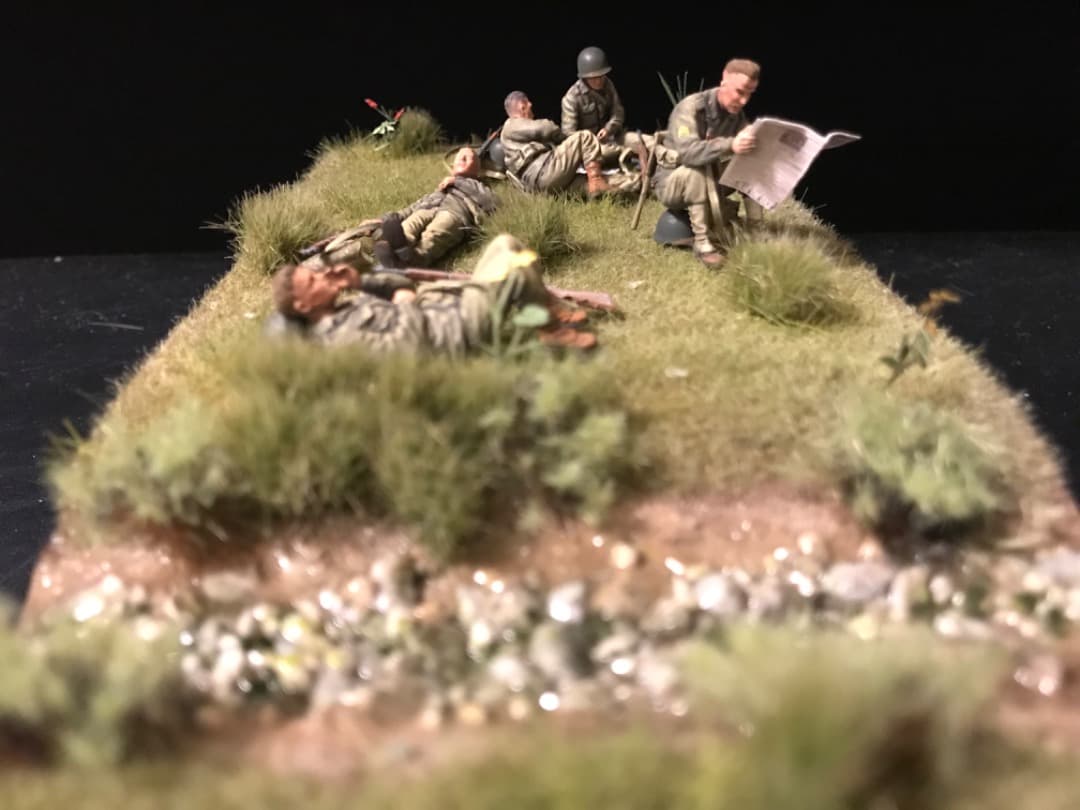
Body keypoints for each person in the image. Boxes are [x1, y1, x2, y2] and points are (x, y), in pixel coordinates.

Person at [268, 234, 596, 355]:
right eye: (312, 281)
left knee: (504, 247)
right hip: (455, 330)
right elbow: (408, 349)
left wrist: (359, 282)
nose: (322, 277)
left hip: (444, 307)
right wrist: (406, 303)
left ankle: (545, 308)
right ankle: (548, 326)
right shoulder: (341, 339)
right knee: (507, 252)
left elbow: (400, 285)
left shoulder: (342, 307)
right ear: (302, 304)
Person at [651, 58, 765, 268]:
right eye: (740, 92)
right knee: (697, 171)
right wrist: (731, 144)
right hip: (672, 183)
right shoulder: (691, 108)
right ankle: (703, 244)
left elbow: (743, 140)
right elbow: (689, 154)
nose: (744, 100)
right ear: (724, 81)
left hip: (711, 176)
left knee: (750, 166)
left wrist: (752, 138)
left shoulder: (734, 113)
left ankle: (755, 233)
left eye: (750, 94)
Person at [352, 146, 498, 269]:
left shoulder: (478, 185)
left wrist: (458, 182)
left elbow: (490, 203)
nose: (463, 159)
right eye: (460, 157)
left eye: (470, 157)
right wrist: (381, 221)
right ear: (452, 166)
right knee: (408, 225)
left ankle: (414, 261)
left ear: (477, 169)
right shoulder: (439, 190)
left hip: (455, 213)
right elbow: (413, 208)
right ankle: (397, 251)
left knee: (435, 234)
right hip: (426, 210)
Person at [499, 91, 610, 197]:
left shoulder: (515, 136)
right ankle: (596, 180)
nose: (532, 112)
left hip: (543, 184)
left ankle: (604, 187)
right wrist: (563, 137)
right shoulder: (512, 124)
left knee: (601, 183)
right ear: (523, 107)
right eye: (529, 107)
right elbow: (546, 128)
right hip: (544, 173)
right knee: (584, 137)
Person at [560, 46, 627, 165]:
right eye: (594, 78)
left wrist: (608, 129)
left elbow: (618, 111)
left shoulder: (608, 85)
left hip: (611, 138)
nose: (599, 81)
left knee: (637, 140)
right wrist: (591, 140)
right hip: (588, 148)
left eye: (601, 76)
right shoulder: (572, 98)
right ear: (585, 77)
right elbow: (569, 134)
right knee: (609, 152)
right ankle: (625, 153)